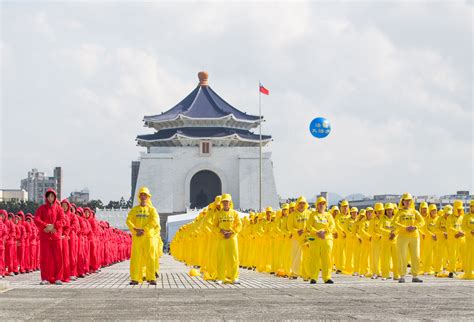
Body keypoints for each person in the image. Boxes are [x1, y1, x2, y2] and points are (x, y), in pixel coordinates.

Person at [126, 187, 160, 285]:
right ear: (139, 196)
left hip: (148, 237)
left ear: (148, 197)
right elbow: (128, 220)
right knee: (136, 258)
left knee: (151, 257)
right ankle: (135, 278)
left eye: (145, 195)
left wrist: (144, 229)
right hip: (137, 236)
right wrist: (134, 229)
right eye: (141, 195)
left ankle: (151, 277)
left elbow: (154, 221)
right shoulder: (134, 210)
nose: (143, 197)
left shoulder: (152, 210)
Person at [34, 188, 66, 285]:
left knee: (58, 258)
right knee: (45, 258)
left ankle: (58, 278)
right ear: (46, 197)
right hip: (45, 237)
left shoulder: (59, 209)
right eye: (48, 196)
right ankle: (45, 278)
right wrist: (46, 226)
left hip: (56, 236)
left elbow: (63, 220)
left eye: (52, 196)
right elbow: (36, 219)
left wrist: (54, 226)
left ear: (55, 197)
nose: (50, 198)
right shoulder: (42, 208)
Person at [211, 193, 242, 284]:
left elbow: (239, 225)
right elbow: (214, 226)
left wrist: (231, 232)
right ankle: (221, 277)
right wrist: (221, 231)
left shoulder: (235, 213)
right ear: (221, 203)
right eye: (223, 201)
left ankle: (234, 277)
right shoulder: (218, 214)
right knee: (221, 258)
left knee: (234, 258)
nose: (225, 203)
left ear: (230, 202)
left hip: (232, 238)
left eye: (227, 201)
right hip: (221, 238)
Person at [394, 192, 424, 283]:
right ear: (402, 201)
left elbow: (422, 222)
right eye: (405, 201)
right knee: (403, 256)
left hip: (414, 236)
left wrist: (415, 227)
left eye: (409, 201)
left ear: (411, 201)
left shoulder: (415, 212)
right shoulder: (400, 212)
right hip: (403, 236)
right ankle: (402, 276)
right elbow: (394, 222)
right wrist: (404, 227)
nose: (407, 202)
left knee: (416, 256)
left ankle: (415, 275)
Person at [307, 196, 335, 284]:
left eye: (323, 204)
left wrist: (325, 231)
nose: (321, 206)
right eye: (319, 204)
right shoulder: (312, 215)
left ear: (326, 205)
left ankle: (327, 277)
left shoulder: (328, 215)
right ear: (316, 205)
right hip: (315, 239)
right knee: (314, 259)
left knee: (327, 259)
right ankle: (313, 277)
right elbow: (309, 226)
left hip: (326, 239)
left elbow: (332, 225)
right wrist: (317, 232)